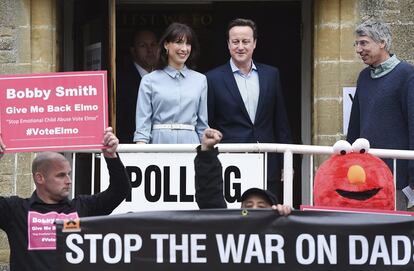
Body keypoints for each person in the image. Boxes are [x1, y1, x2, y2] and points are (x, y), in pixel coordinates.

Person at [0, 127, 131, 271]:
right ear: (40, 178)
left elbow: (119, 191)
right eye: (61, 175)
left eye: (68, 174)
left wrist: (111, 156)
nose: (68, 180)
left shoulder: (83, 207)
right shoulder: (15, 210)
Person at [205, 18, 292, 198]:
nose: (240, 47)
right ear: (228, 44)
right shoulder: (212, 79)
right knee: (233, 220)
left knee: (267, 218)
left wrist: (287, 163)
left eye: (246, 41)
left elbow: (281, 122)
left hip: (268, 162)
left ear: (255, 44)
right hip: (230, 163)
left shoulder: (271, 75)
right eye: (235, 42)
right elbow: (209, 124)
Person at [347, 19, 414, 211]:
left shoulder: (407, 75)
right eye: (357, 44)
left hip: (397, 179)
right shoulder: (364, 77)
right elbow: (355, 128)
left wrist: (412, 178)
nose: (359, 49)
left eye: (364, 43)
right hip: (365, 176)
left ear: (382, 42)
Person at [133, 22, 208, 144]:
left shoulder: (200, 80)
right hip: (159, 143)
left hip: (191, 144)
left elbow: (202, 126)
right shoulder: (149, 80)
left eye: (188, 43)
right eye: (179, 42)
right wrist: (141, 153)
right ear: (166, 44)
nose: (184, 49)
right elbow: (143, 126)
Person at [194, 128, 291, 215]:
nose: (254, 210)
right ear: (240, 209)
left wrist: (284, 219)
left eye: (261, 207)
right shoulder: (230, 228)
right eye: (248, 206)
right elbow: (211, 199)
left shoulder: (278, 227)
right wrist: (206, 151)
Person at [116, 28, 158, 143]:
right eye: (143, 46)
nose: (150, 50)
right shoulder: (120, 81)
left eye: (153, 44)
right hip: (131, 147)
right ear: (133, 50)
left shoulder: (165, 77)